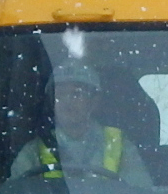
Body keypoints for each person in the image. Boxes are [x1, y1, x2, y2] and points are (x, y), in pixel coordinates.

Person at [11, 61, 152, 185]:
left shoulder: (120, 146)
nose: (67, 101)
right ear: (51, 103)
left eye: (76, 94)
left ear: (94, 101)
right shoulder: (33, 152)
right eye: (59, 95)